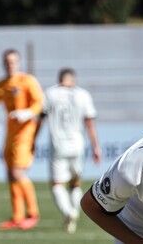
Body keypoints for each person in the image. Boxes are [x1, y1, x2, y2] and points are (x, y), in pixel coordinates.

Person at [0, 49, 44, 230]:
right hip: (10, 135)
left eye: (13, 61)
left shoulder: (27, 81)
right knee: (10, 175)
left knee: (18, 173)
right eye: (7, 61)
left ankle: (33, 214)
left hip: (25, 134)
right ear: (3, 64)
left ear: (18, 63)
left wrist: (27, 113)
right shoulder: (1, 85)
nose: (10, 65)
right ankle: (17, 216)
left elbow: (39, 103)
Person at [37, 68, 102, 233]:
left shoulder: (51, 93)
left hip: (57, 145)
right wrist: (96, 146)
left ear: (60, 79)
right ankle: (73, 214)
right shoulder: (83, 95)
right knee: (75, 183)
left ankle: (69, 212)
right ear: (73, 79)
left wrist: (33, 139)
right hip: (77, 145)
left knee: (57, 184)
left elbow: (40, 119)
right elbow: (89, 123)